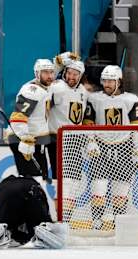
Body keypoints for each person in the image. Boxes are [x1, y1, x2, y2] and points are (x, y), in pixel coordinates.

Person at [83, 65, 138, 229]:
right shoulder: (94, 98)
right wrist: (91, 141)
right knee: (98, 188)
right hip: (100, 148)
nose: (107, 84)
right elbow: (88, 122)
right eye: (104, 80)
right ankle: (97, 221)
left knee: (121, 191)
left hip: (124, 147)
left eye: (111, 80)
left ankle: (119, 224)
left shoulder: (131, 99)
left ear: (119, 81)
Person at [0, 175, 68, 249]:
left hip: (8, 192)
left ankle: (1, 228)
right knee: (42, 227)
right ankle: (49, 232)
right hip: (33, 188)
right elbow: (44, 205)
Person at [46, 58, 89, 219]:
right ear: (64, 72)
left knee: (72, 182)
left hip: (75, 141)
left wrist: (88, 139)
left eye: (75, 74)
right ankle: (60, 218)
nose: (71, 77)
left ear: (80, 76)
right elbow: (43, 105)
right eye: (69, 73)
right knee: (60, 182)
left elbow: (81, 118)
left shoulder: (83, 91)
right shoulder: (57, 87)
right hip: (56, 140)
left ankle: (66, 218)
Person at [7, 59, 54, 181]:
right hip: (26, 139)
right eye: (45, 72)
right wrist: (24, 138)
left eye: (51, 72)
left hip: (35, 139)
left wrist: (60, 62)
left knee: (40, 178)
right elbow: (18, 117)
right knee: (33, 180)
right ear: (37, 74)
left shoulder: (45, 86)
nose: (49, 76)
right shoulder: (32, 90)